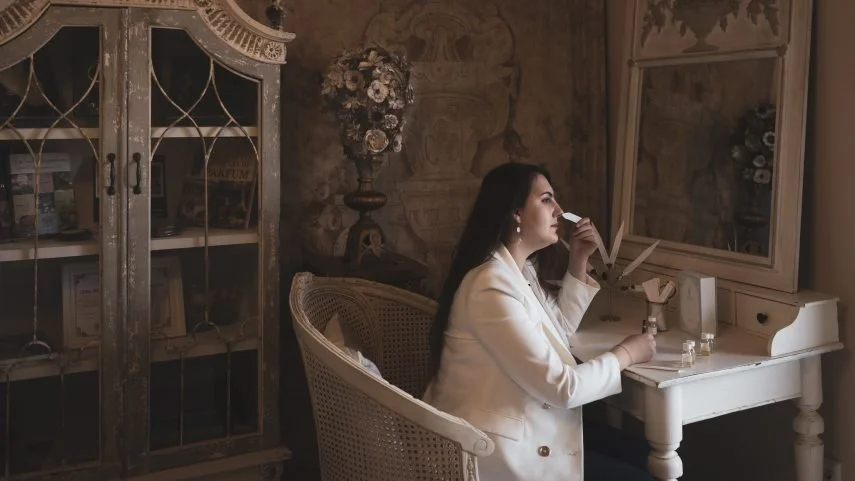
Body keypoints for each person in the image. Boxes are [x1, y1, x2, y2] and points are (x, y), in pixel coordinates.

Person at [422, 162, 656, 481]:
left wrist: (579, 259)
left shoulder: (520, 271)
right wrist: (626, 354)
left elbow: (556, 333)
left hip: (531, 424)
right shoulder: (490, 286)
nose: (559, 210)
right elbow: (562, 387)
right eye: (546, 200)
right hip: (496, 452)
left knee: (642, 453)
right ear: (516, 212)